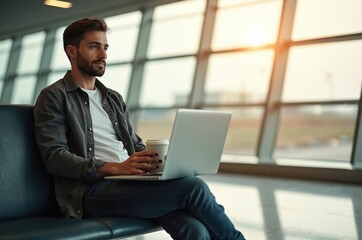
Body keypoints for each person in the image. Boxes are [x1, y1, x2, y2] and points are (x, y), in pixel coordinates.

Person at [33, 18, 245, 240]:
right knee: (194, 188)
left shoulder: (112, 98)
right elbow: (54, 157)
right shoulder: (54, 96)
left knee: (194, 230)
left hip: (129, 182)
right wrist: (113, 168)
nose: (103, 54)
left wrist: (157, 160)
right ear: (72, 51)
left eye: (105, 47)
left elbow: (133, 144)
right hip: (90, 191)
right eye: (94, 46)